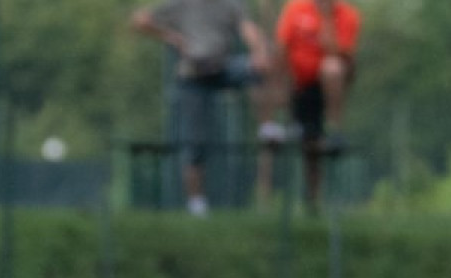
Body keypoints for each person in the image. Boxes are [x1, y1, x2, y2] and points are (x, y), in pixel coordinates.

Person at [130, 0, 276, 217]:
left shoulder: (231, 4)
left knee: (256, 71)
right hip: (193, 76)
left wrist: (259, 51)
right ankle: (196, 202)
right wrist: (170, 36)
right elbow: (140, 20)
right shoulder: (182, 4)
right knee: (195, 142)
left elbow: (248, 29)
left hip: (223, 67)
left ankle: (266, 125)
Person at [255, 0, 360, 208]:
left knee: (332, 69)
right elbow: (282, 47)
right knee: (266, 67)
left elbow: (340, 56)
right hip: (296, 85)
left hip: (324, 90)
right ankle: (271, 126)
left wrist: (326, 18)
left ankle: (334, 129)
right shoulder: (295, 8)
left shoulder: (348, 15)